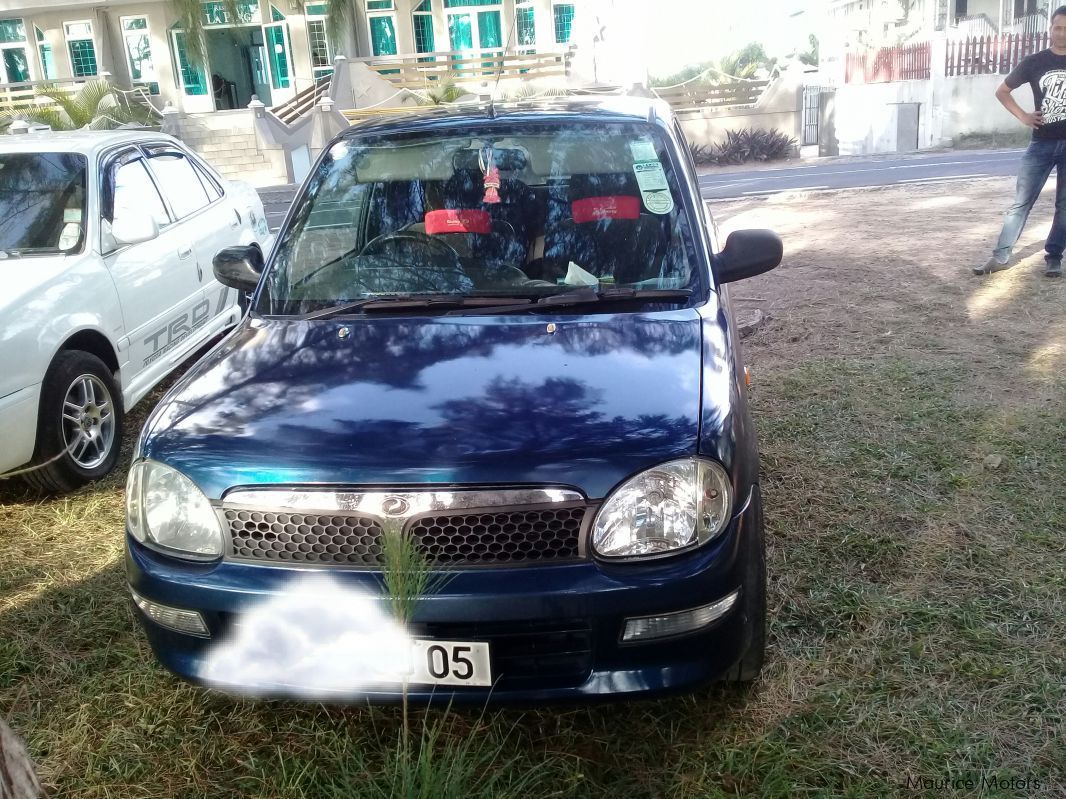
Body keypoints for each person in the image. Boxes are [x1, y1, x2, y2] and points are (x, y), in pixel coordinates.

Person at [977, 5, 1066, 278]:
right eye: (1058, 28)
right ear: (1050, 29)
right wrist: (1024, 116)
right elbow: (1003, 91)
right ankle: (1000, 256)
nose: (1062, 34)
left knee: (1064, 205)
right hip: (1041, 143)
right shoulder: (1034, 61)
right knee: (1021, 202)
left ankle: (1054, 257)